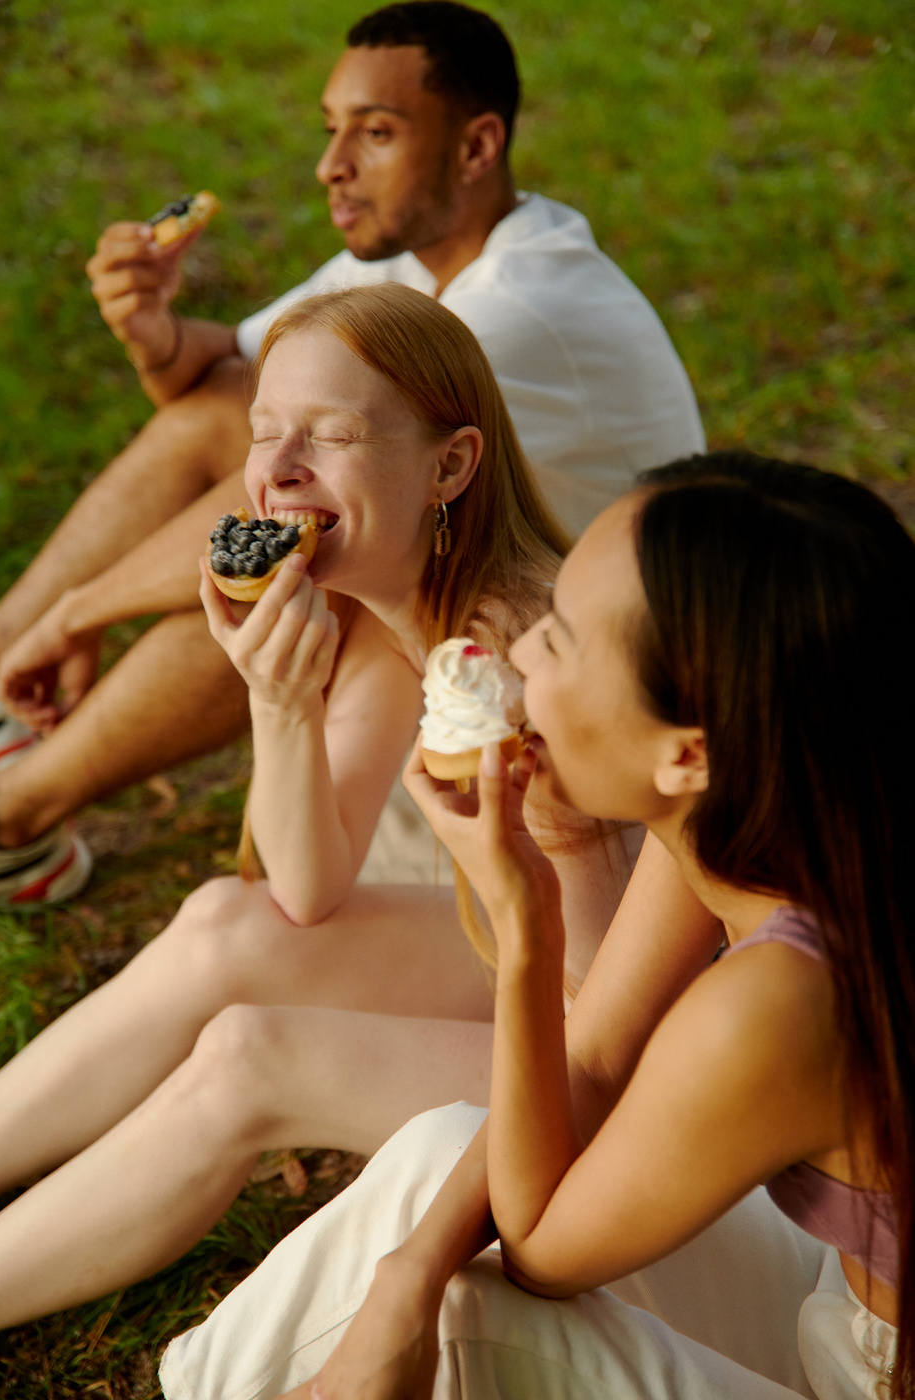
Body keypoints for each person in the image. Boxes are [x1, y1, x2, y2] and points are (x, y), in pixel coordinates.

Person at [158, 452, 912, 1400]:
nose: (514, 657)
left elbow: (544, 1251)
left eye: (559, 641)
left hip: (872, 1377)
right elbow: (591, 1063)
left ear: (687, 753)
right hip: (833, 1300)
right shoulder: (782, 817)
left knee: (469, 1307)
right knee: (440, 1169)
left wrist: (527, 924)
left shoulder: (780, 1002)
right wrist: (404, 1275)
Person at [0, 283, 640, 1333]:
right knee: (222, 922)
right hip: (539, 961)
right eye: (265, 433)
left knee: (251, 1054)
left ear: (450, 466)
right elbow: (302, 889)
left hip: (627, 1047)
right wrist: (277, 699)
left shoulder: (518, 665)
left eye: (330, 437)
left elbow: (614, 1010)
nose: (277, 472)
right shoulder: (401, 607)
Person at [0, 0, 704, 903]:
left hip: (583, 634)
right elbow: (222, 382)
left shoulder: (507, 313)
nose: (331, 166)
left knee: (297, 545)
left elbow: (274, 507)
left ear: (476, 149)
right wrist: (153, 332)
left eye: (376, 133)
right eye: (331, 131)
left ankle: (9, 814)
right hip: (455, 555)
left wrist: (78, 614)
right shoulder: (408, 261)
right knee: (235, 433)